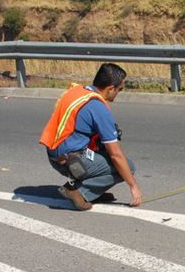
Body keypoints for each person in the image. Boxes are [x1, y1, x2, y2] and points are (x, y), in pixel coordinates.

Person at [40, 63, 143, 210]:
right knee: (128, 166)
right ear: (110, 88)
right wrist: (133, 186)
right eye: (120, 89)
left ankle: (93, 192)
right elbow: (116, 155)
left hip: (55, 155)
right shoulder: (99, 108)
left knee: (102, 148)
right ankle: (80, 192)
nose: (119, 92)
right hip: (73, 161)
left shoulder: (78, 91)